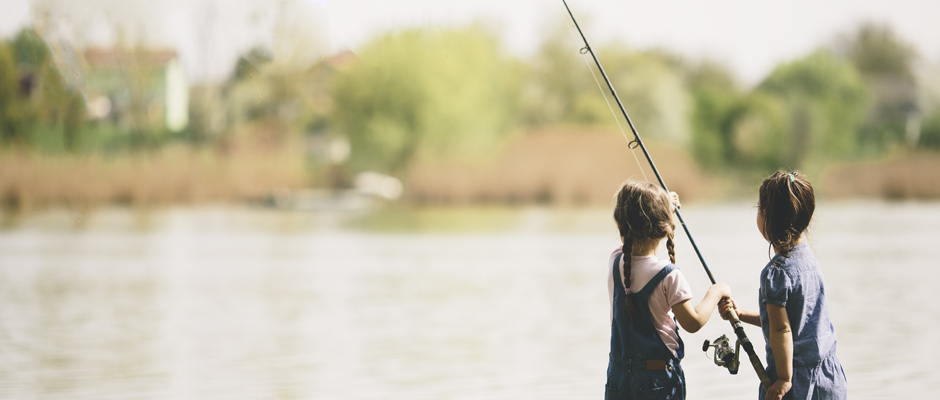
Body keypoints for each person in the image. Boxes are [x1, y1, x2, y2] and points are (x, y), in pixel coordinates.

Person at [719, 171, 847, 400]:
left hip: (796, 383)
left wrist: (784, 379)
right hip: (829, 377)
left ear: (769, 217)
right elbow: (789, 321)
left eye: (760, 207)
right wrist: (740, 314)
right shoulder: (809, 259)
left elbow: (781, 330)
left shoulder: (776, 273)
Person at [605, 180, 732, 400]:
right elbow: (693, 322)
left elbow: (637, 224)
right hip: (658, 381)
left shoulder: (615, 261)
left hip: (618, 379)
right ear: (664, 228)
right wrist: (716, 292)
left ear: (620, 224)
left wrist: (664, 207)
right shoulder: (668, 275)